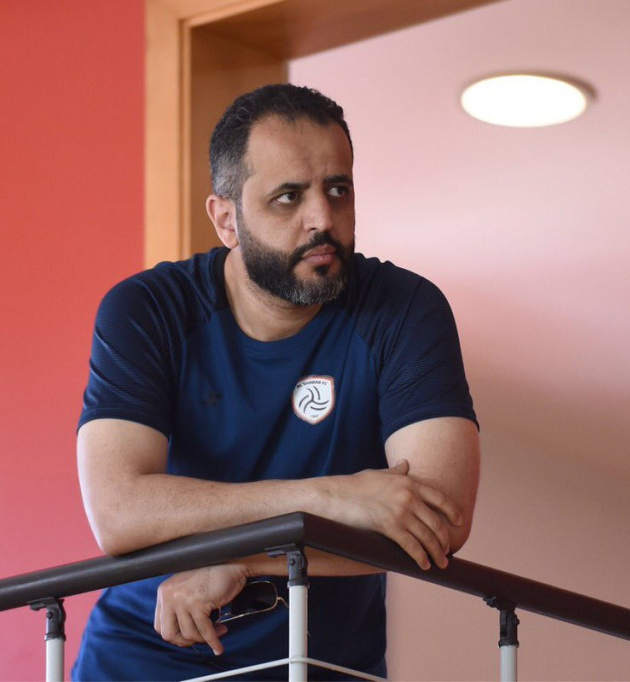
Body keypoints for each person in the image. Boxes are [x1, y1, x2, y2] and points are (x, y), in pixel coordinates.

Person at [71, 84, 480, 681]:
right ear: (226, 220)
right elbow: (117, 511)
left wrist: (241, 557)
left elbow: (440, 521)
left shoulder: (406, 310)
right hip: (145, 657)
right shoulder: (147, 309)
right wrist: (328, 497)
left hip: (322, 665)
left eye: (337, 190)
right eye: (288, 197)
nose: (323, 219)